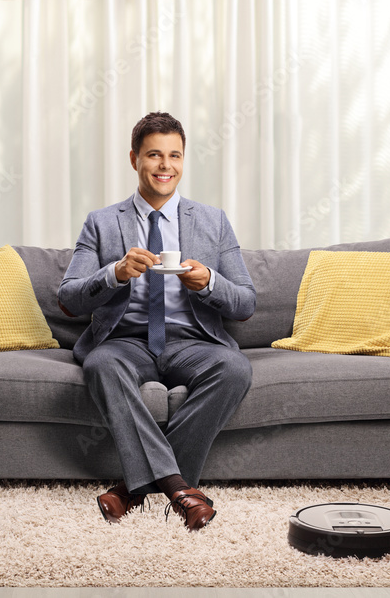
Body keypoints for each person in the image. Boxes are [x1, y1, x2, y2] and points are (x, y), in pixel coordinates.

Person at [58, 112, 256, 531]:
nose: (165, 165)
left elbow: (245, 302)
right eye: (154, 155)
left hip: (191, 341)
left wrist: (209, 283)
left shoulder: (213, 221)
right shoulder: (101, 222)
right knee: (100, 364)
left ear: (183, 161)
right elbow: (69, 298)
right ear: (134, 159)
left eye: (174, 156)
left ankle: (134, 490)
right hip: (125, 341)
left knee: (235, 368)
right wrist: (114, 273)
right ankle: (179, 488)